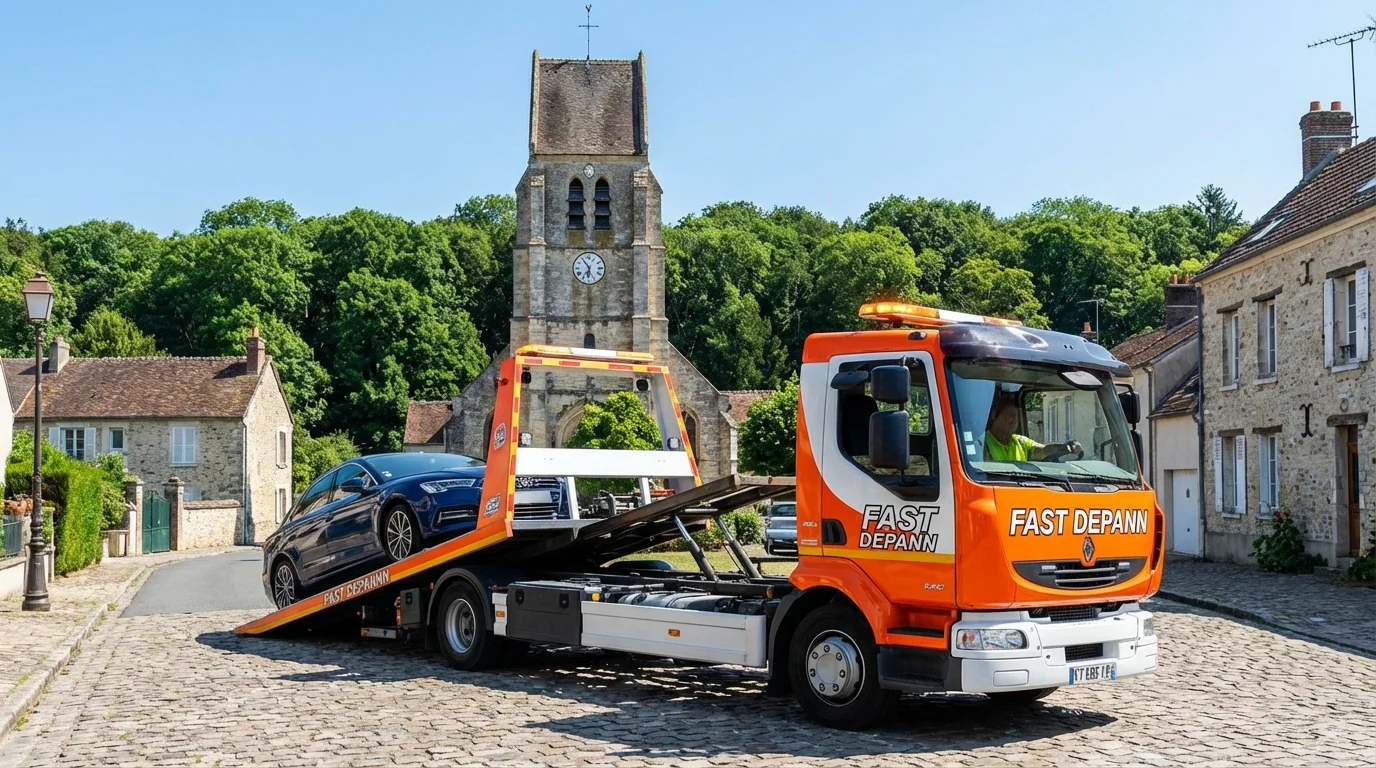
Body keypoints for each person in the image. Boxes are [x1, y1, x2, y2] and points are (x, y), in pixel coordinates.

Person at [983, 397, 1081, 462]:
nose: (1012, 420)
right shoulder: (983, 443)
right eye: (1008, 416)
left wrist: (1063, 447)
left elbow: (1043, 450)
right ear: (993, 417)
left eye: (1015, 416)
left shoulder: (1020, 441)